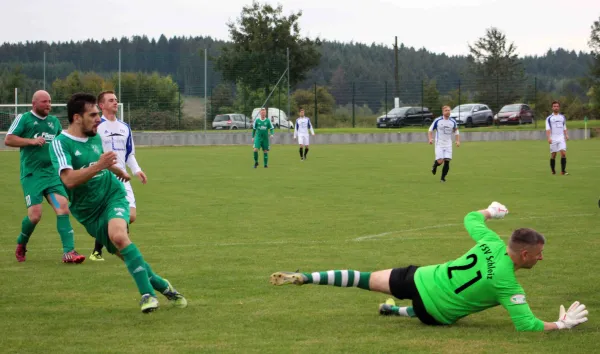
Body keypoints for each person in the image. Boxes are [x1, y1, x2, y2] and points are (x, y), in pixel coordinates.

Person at [270, 202, 589, 331]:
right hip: (433, 314)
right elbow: (528, 325)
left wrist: (491, 211)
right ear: (523, 256)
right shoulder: (508, 284)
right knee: (428, 310)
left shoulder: (490, 242)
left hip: (419, 278)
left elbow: (471, 218)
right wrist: (561, 324)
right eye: (538, 254)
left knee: (363, 279)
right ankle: (396, 311)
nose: (541, 258)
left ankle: (307, 276)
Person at [49, 92, 187, 313]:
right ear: (77, 118)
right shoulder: (60, 143)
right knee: (125, 254)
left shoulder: (94, 136)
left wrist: (118, 171)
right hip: (88, 212)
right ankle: (163, 285)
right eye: (93, 114)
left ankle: (148, 296)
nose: (97, 118)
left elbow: (102, 160)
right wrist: (102, 165)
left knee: (119, 236)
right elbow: (68, 180)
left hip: (112, 193)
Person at [4, 90, 85, 263]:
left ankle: (69, 252)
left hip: (51, 176)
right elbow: (8, 139)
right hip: (32, 175)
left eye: (49, 101)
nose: (48, 105)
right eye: (44, 102)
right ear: (34, 104)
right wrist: (30, 141)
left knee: (62, 207)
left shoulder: (54, 122)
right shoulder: (24, 119)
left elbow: (59, 144)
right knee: (35, 215)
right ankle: (21, 243)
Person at [89, 90, 147, 261]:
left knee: (131, 215)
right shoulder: (97, 127)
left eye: (116, 100)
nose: (115, 102)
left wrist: (137, 170)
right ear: (101, 105)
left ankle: (104, 246)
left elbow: (130, 154)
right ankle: (109, 249)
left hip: (124, 177)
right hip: (104, 177)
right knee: (114, 213)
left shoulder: (124, 127)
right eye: (111, 100)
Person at [428, 106, 460, 182]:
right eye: (446, 110)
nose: (448, 112)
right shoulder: (438, 120)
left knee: (447, 160)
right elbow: (430, 130)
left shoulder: (453, 121)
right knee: (440, 161)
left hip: (448, 143)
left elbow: (456, 131)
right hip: (439, 143)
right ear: (443, 112)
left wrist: (457, 141)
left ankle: (442, 178)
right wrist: (430, 139)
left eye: (449, 110)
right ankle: (435, 165)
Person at [545, 101, 569, 175]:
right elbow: (548, 129)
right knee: (553, 155)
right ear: (552, 108)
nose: (556, 107)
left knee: (563, 153)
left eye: (557, 106)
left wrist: (566, 135)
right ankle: (553, 170)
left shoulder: (562, 117)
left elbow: (564, 127)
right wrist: (549, 138)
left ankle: (563, 171)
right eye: (554, 106)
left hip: (561, 138)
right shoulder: (549, 118)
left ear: (559, 107)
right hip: (553, 138)